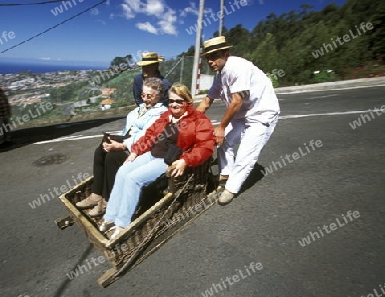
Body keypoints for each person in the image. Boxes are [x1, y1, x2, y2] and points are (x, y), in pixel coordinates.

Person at [100, 83, 215, 240]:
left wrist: (185, 160)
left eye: (179, 101)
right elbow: (149, 136)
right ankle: (110, 216)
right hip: (152, 154)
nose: (174, 104)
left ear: (187, 101)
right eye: (171, 100)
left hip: (167, 160)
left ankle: (122, 224)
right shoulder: (165, 116)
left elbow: (205, 147)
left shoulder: (198, 120)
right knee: (122, 171)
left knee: (133, 179)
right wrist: (135, 151)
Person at [196, 36, 280, 206]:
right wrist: (188, 120)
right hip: (243, 115)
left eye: (214, 56)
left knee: (246, 153)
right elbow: (207, 101)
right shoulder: (219, 76)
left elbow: (236, 101)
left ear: (226, 54)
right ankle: (226, 174)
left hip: (261, 115)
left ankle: (231, 189)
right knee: (222, 140)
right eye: (208, 58)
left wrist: (221, 126)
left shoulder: (237, 67)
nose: (210, 61)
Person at [76, 77, 168, 217]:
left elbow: (145, 137)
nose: (145, 99)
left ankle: (108, 201)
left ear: (159, 96)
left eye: (149, 96)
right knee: (101, 149)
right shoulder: (140, 109)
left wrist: (123, 144)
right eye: (143, 95)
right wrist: (114, 140)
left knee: (112, 157)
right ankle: (96, 194)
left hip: (141, 147)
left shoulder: (161, 113)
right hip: (128, 140)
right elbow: (126, 130)